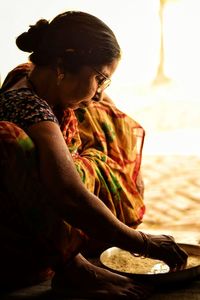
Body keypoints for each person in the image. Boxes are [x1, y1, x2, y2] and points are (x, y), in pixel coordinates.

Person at [0, 11, 187, 299]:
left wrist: (101, 97)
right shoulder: (29, 108)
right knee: (20, 146)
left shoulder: (31, 74)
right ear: (63, 63)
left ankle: (90, 242)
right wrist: (142, 242)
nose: (100, 91)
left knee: (104, 115)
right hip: (23, 242)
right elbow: (68, 193)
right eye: (100, 78)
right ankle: (73, 265)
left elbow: (102, 104)